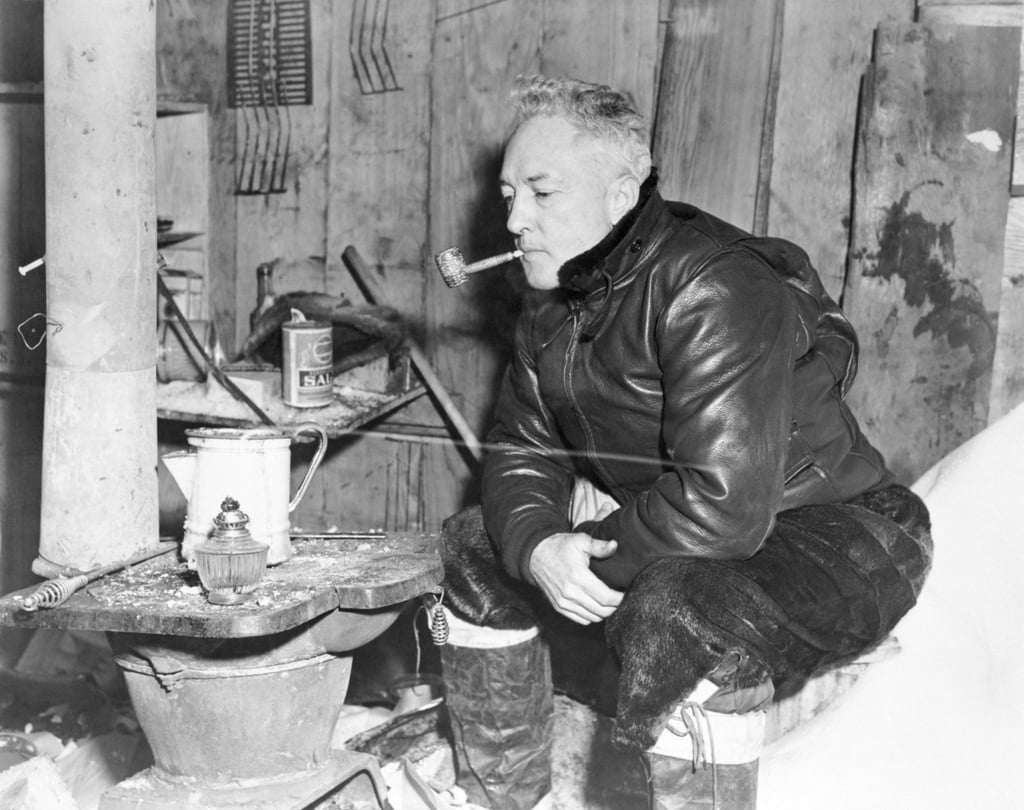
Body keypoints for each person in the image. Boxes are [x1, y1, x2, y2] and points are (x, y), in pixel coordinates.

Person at [437, 75, 933, 810]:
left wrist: (593, 553)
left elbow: (722, 504)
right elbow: (521, 452)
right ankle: (503, 797)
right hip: (688, 528)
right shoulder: (551, 305)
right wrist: (541, 546)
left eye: (543, 193)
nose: (515, 220)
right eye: (510, 196)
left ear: (620, 195)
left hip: (843, 534)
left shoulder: (712, 283)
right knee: (479, 541)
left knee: (678, 612)